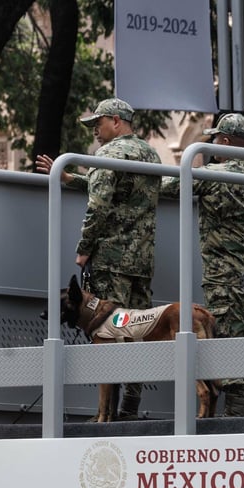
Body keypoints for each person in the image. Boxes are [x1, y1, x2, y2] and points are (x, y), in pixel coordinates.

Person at [35, 97, 161, 420]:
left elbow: (100, 204)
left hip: (111, 262)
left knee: (108, 335)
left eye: (98, 123)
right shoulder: (150, 154)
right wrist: (71, 179)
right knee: (139, 333)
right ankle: (129, 408)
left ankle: (106, 413)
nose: (95, 131)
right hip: (142, 263)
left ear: (116, 121)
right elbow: (117, 190)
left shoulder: (106, 155)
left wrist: (84, 248)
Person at [159, 113, 244, 417]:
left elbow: (166, 188)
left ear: (224, 141)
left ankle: (237, 420)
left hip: (227, 283)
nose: (212, 145)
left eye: (214, 139)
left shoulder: (213, 176)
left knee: (229, 347)